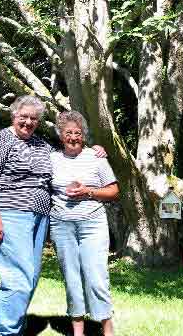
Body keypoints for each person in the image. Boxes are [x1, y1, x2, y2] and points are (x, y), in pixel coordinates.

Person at [0, 95, 106, 336]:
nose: (28, 122)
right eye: (23, 117)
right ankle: (3, 332)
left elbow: (69, 154)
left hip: (39, 216)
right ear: (13, 116)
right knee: (18, 277)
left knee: (31, 276)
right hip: (9, 213)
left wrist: (94, 150)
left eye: (33, 119)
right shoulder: (1, 140)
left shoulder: (40, 144)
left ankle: (14, 327)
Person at [50, 111, 119, 336]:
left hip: (93, 224)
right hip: (62, 225)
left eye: (77, 133)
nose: (73, 137)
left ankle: (107, 330)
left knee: (96, 276)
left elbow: (113, 190)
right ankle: (78, 333)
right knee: (71, 278)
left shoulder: (96, 157)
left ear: (83, 135)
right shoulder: (52, 159)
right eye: (68, 132)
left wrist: (88, 191)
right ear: (61, 135)